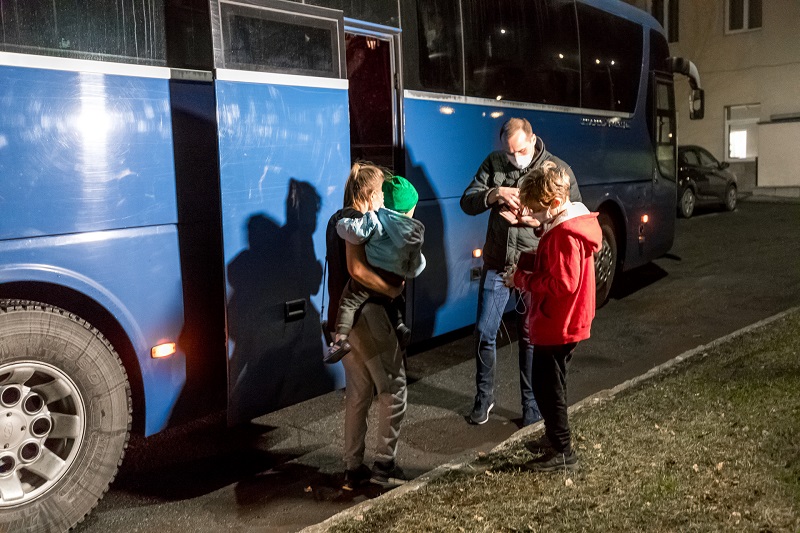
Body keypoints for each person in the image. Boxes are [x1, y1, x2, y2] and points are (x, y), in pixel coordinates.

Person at [460, 117, 582, 426]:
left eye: (521, 151)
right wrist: (495, 193)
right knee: (485, 332)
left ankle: (531, 407)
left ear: (533, 139)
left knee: (529, 337)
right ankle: (484, 398)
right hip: (498, 262)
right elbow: (467, 201)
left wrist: (535, 221)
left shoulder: (556, 168)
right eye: (509, 153)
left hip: (532, 261)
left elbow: (572, 216)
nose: (515, 158)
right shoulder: (494, 163)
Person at [512, 163, 602, 471]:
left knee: (548, 386)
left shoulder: (564, 235)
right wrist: (534, 223)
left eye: (536, 210)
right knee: (546, 382)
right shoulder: (566, 222)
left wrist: (522, 280)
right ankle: (553, 438)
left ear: (554, 203)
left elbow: (564, 282)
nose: (534, 216)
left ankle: (563, 451)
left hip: (559, 321)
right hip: (563, 319)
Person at [325, 162, 409, 489]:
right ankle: (383, 468)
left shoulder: (338, 218)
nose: (386, 202)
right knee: (393, 389)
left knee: (359, 392)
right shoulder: (359, 222)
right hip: (368, 316)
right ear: (372, 194)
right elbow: (356, 270)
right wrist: (390, 289)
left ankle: (352, 466)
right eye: (383, 196)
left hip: (342, 319)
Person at [326, 175, 426, 363]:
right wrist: (407, 272)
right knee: (393, 298)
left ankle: (341, 340)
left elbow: (356, 234)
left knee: (349, 300)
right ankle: (399, 325)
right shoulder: (414, 233)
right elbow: (417, 263)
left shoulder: (374, 219)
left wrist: (341, 224)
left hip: (374, 274)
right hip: (395, 277)